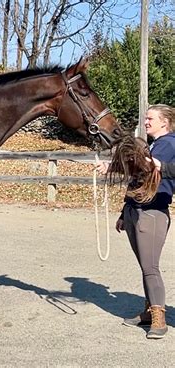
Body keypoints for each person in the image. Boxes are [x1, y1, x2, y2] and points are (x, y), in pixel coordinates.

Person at [97, 104, 175, 339]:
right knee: (146, 266)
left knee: (150, 267)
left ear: (165, 122)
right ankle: (150, 311)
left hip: (153, 212)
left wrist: (116, 167)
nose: (146, 122)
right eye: (146, 118)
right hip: (136, 209)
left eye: (151, 118)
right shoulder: (153, 145)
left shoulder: (169, 144)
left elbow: (145, 169)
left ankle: (159, 318)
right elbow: (138, 178)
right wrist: (124, 211)